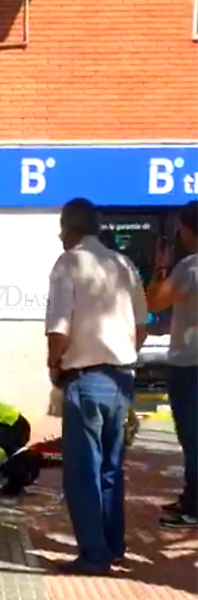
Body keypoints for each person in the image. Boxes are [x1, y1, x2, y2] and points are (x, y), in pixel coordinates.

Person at [45, 198, 148, 575]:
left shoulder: (68, 263)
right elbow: (141, 328)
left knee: (82, 472)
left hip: (85, 380)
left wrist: (54, 366)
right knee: (111, 468)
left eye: (61, 228)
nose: (59, 236)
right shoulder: (124, 264)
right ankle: (113, 545)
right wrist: (120, 353)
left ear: (69, 228)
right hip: (121, 379)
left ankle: (93, 556)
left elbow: (59, 328)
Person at [145, 201, 198, 529]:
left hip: (190, 366)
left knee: (192, 438)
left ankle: (193, 507)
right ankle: (191, 497)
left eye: (180, 227)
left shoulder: (190, 267)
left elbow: (155, 302)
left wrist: (161, 267)